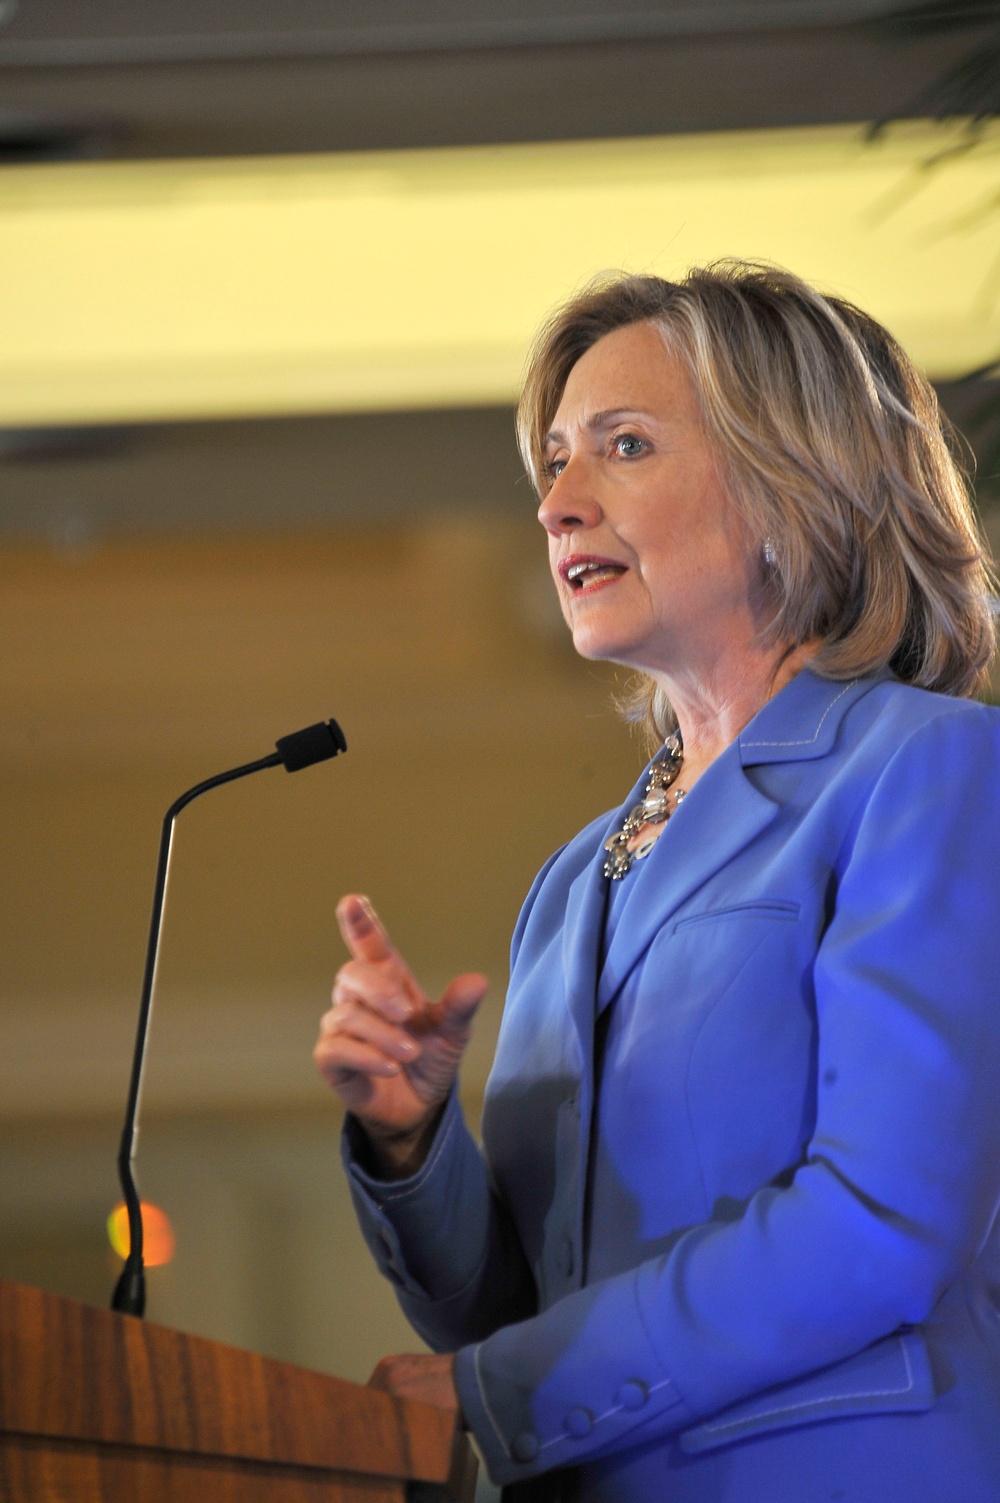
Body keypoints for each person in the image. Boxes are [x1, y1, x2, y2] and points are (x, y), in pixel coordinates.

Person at [313, 262, 1000, 1502]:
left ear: (794, 486)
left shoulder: (930, 770)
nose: (557, 503)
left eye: (622, 447)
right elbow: (522, 1307)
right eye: (554, 462)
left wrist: (494, 1395)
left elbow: (881, 1225)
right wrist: (411, 1141)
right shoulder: (576, 879)